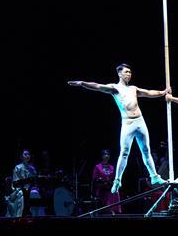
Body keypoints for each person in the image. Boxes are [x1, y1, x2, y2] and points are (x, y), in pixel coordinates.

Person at [68, 63, 168, 193]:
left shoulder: (133, 88)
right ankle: (117, 180)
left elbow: (149, 93)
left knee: (146, 150)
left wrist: (163, 92)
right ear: (119, 74)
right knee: (124, 152)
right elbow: (98, 86)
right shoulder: (114, 88)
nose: (129, 74)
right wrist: (82, 83)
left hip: (140, 121)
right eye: (126, 72)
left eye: (130, 72)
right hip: (128, 123)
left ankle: (154, 177)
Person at [91, 149, 122, 214]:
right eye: (105, 154)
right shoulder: (97, 167)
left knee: (116, 192)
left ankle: (115, 211)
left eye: (108, 154)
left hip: (110, 187)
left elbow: (114, 178)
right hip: (101, 188)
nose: (107, 156)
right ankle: (110, 210)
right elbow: (94, 180)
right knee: (107, 193)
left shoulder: (112, 167)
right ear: (102, 156)